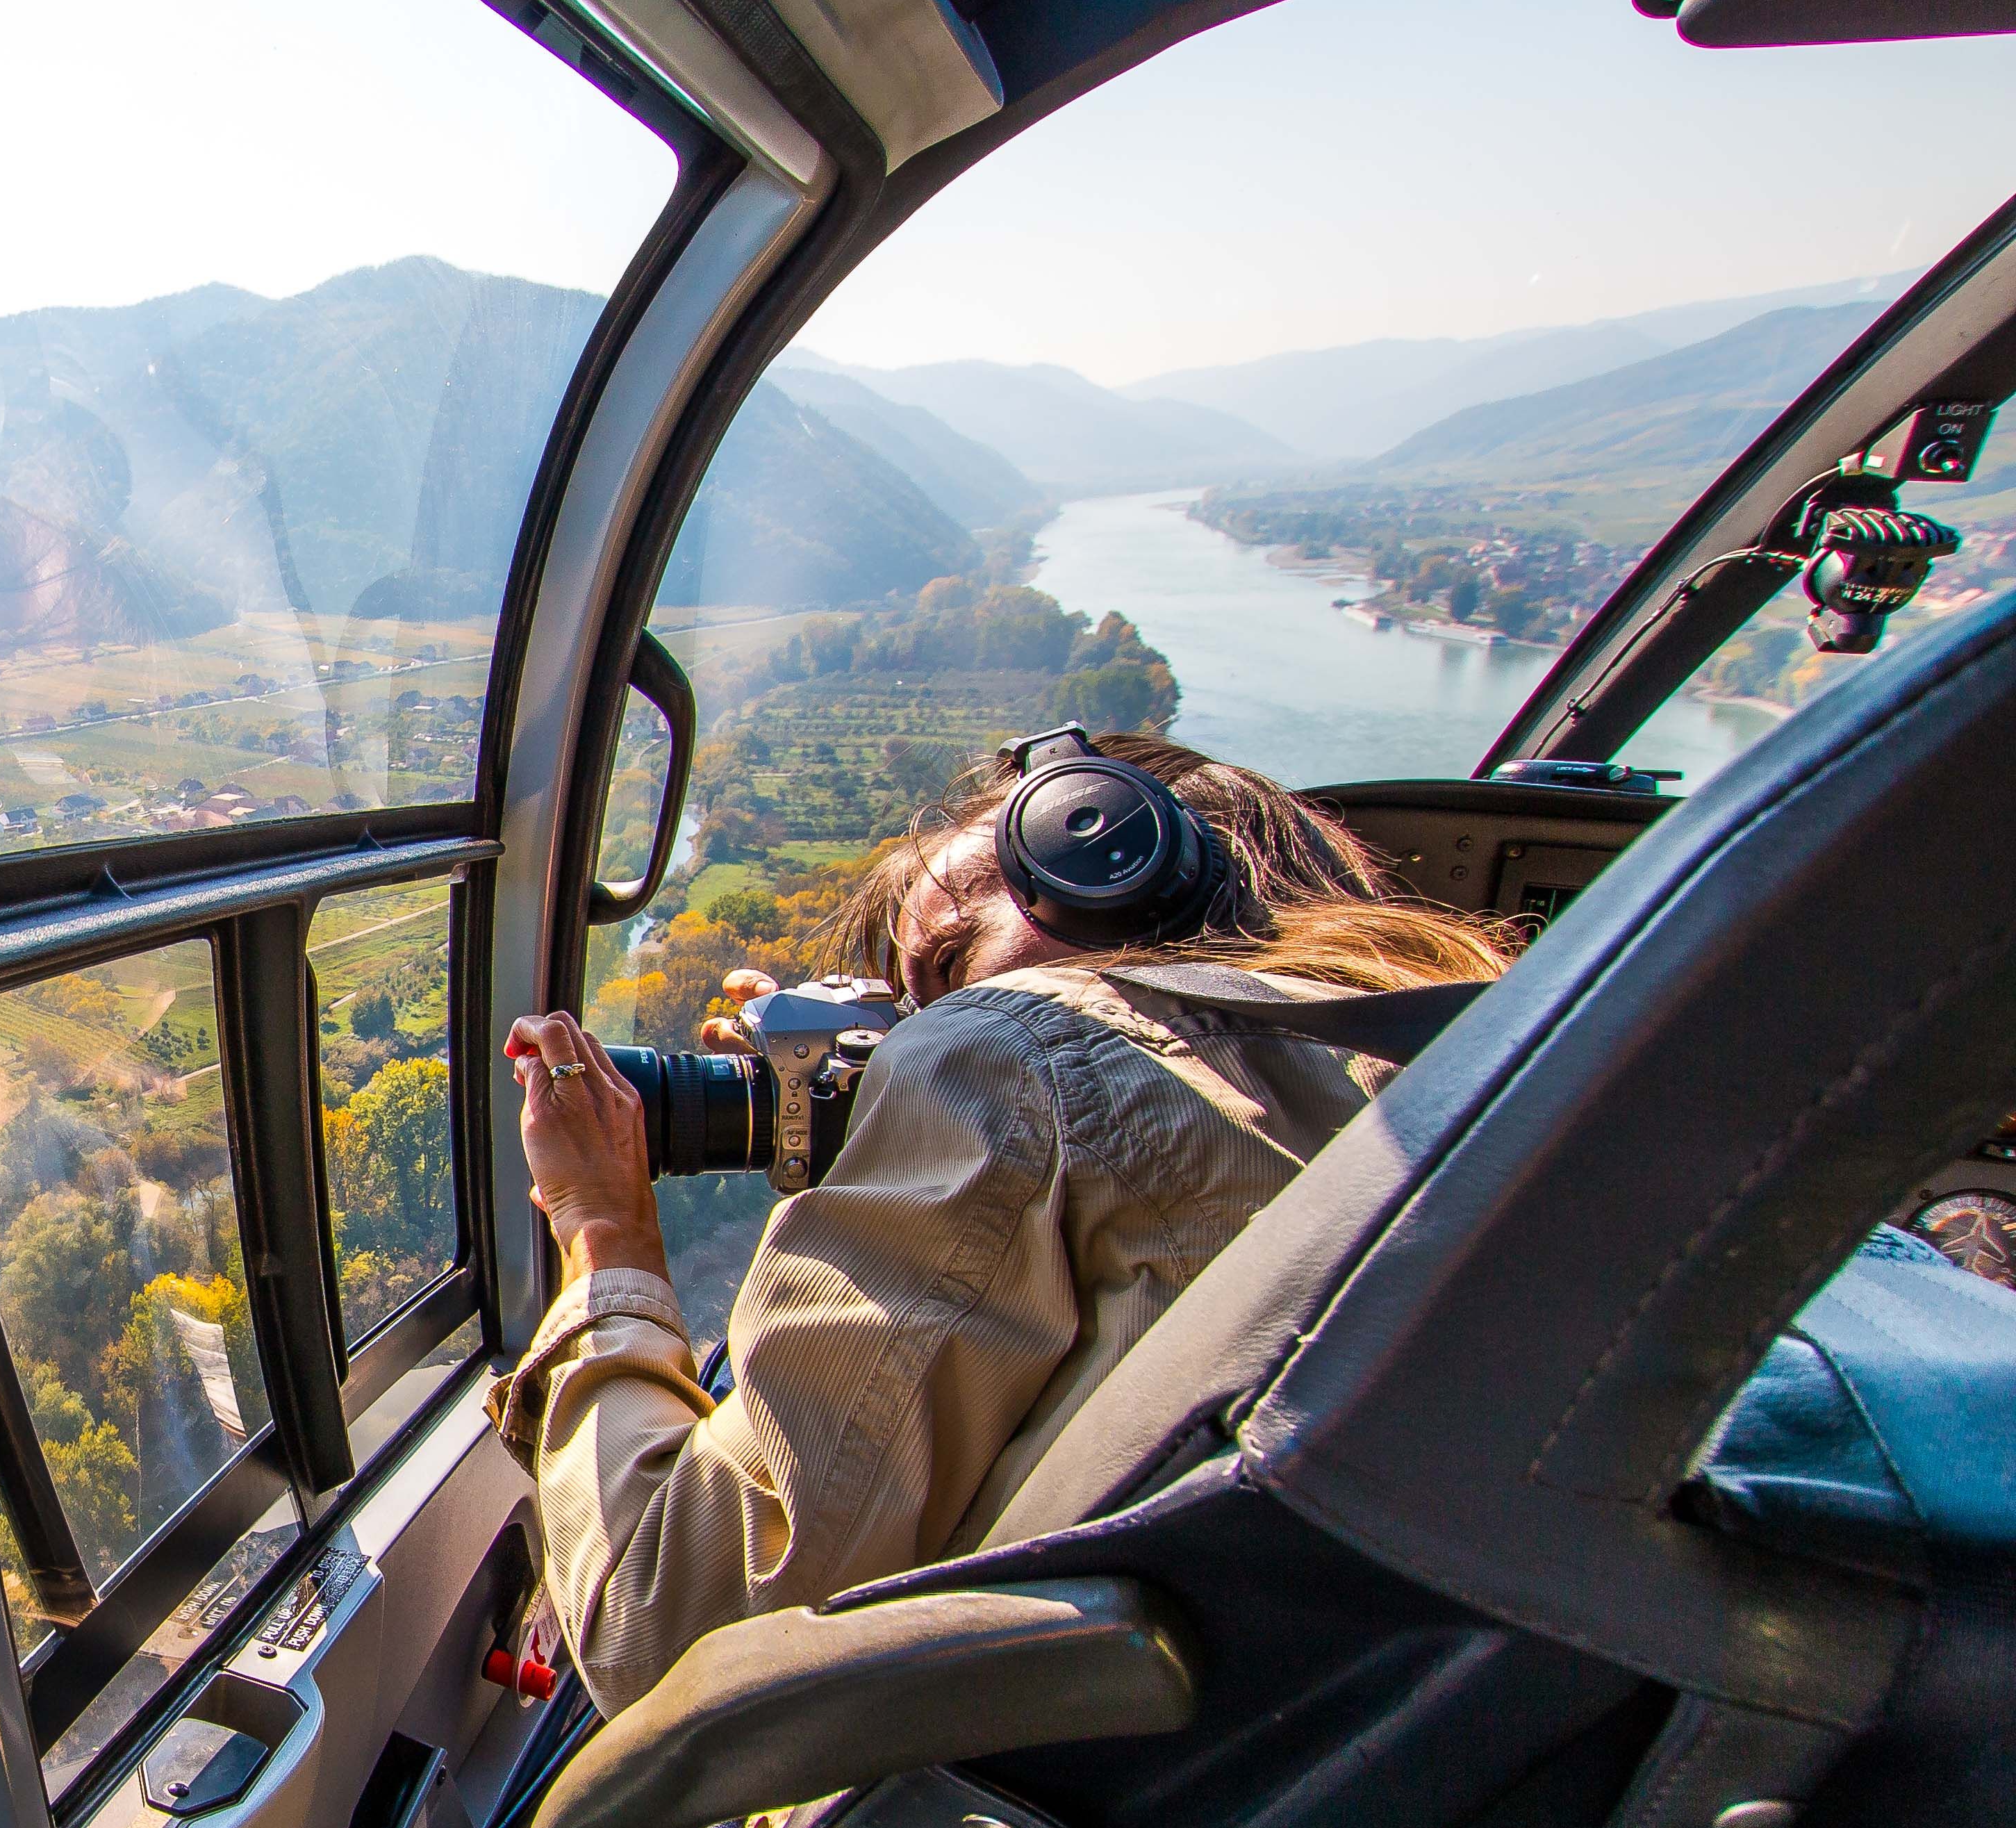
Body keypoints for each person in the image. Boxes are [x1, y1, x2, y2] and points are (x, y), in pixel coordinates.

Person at [491, 730, 1516, 1715]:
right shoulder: (1459, 1062)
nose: (928, 1032)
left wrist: (601, 1227)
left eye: (946, 967)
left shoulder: (1019, 1051)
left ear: (1107, 860)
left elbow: (663, 1628)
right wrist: (882, 1122)